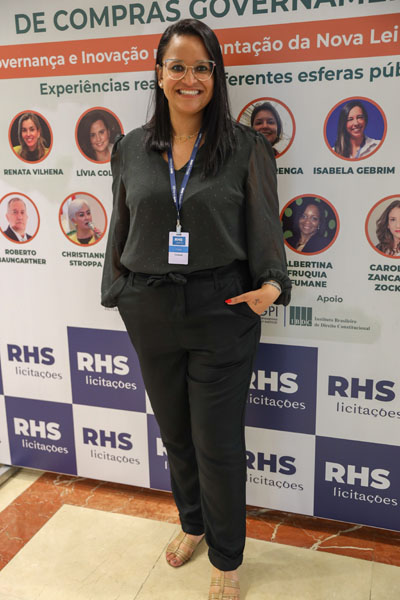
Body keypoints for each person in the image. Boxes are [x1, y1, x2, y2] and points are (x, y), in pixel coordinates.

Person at [101, 18, 291, 600]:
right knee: (176, 434)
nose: (190, 78)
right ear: (159, 74)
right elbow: (121, 228)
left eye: (202, 67)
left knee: (217, 442)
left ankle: (227, 557)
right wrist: (119, 291)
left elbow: (264, 224)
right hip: (150, 307)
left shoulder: (245, 147)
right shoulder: (131, 148)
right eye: (178, 66)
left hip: (221, 309)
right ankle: (192, 523)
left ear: (216, 75)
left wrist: (272, 285)